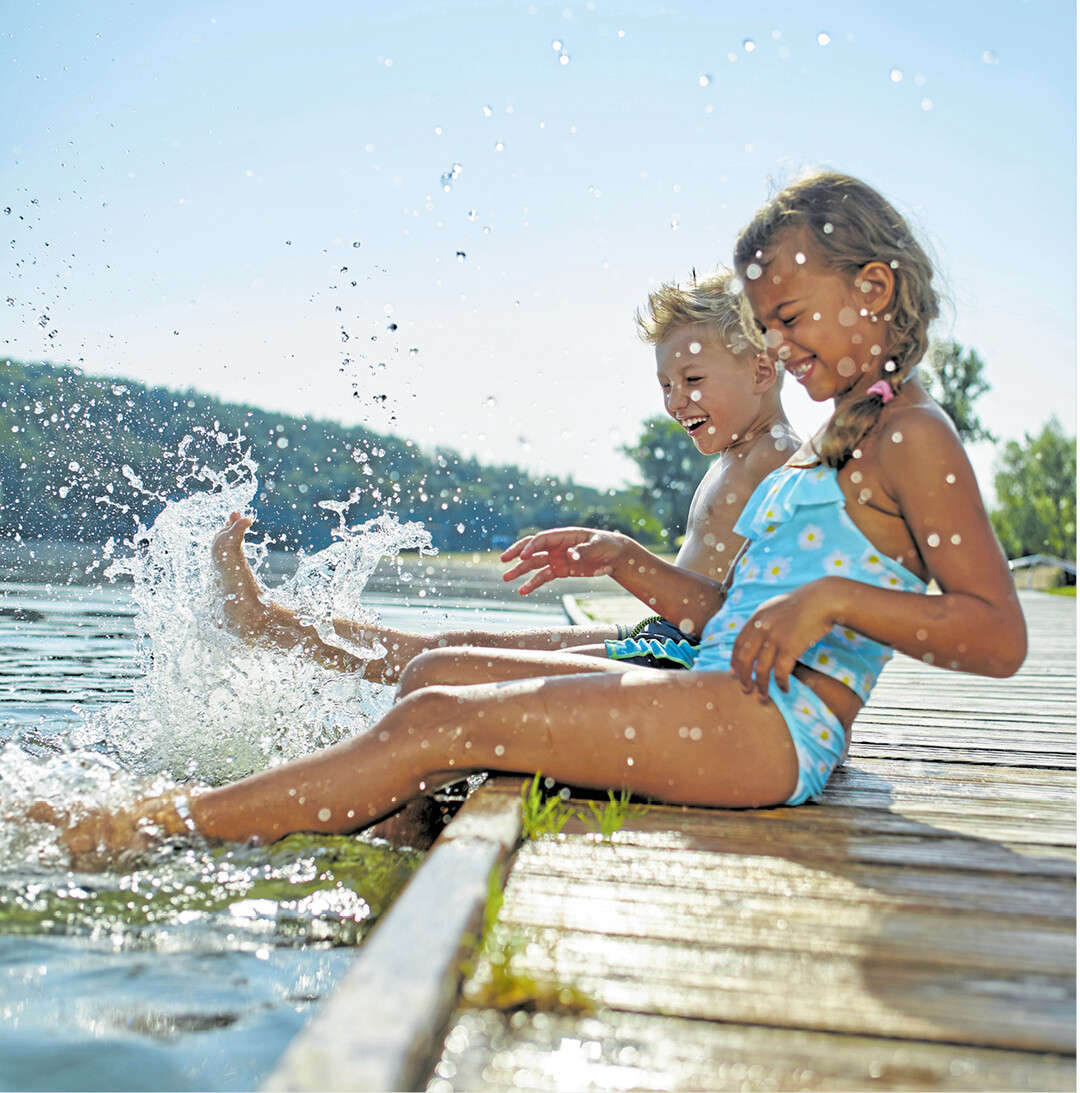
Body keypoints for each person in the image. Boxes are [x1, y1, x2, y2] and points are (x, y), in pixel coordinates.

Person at [29, 170, 1026, 863]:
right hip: (732, 691)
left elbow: (995, 632)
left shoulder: (913, 436)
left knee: (433, 716)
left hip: (776, 728)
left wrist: (833, 601)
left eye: (793, 322)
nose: (784, 345)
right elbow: (732, 608)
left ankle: (153, 826)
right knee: (436, 680)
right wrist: (623, 556)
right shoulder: (839, 438)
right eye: (771, 329)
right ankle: (343, 832)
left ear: (874, 288)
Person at [211, 269, 798, 685]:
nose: (675, 401)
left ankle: (270, 624)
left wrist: (626, 560)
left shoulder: (777, 462)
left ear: (762, 369)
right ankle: (269, 620)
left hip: (688, 661)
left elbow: (751, 620)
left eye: (692, 379)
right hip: (669, 640)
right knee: (451, 648)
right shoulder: (740, 456)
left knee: (449, 663)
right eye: (665, 385)